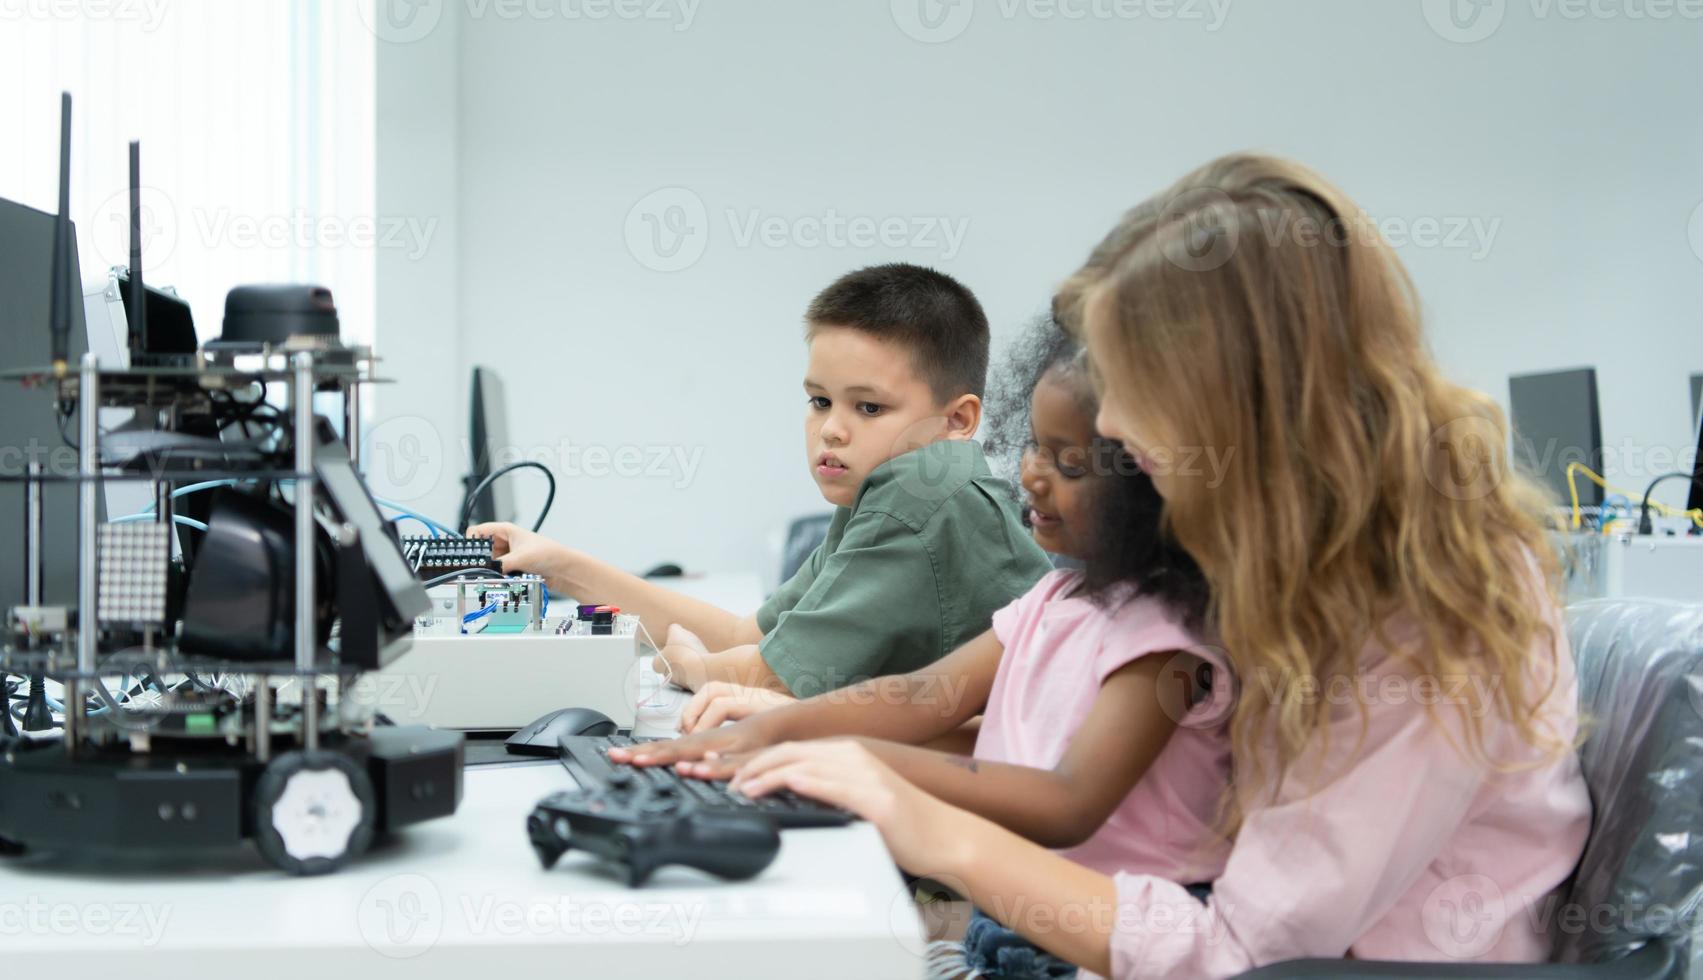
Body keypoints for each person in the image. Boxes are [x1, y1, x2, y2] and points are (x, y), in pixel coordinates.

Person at [665, 155, 1593, 978]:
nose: (1107, 427)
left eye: (1134, 392)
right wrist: (819, 739)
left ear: (1243, 404)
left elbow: (1240, 953)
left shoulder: (1420, 609)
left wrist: (924, 822)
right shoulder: (1267, 540)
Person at [614, 319, 1226, 979]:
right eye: (1034, 447)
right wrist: (771, 726)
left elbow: (1067, 803)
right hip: (1010, 921)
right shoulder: (1060, 599)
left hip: (1092, 948)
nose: (1030, 475)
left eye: (1067, 463)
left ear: (1157, 487)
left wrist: (853, 760)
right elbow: (920, 696)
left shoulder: (1167, 640)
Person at [470, 263, 1051, 696]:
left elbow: (767, 678)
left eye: (869, 408)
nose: (832, 431)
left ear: (958, 421)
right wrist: (556, 563)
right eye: (819, 401)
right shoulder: (885, 492)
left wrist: (685, 666)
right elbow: (746, 636)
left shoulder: (923, 494)